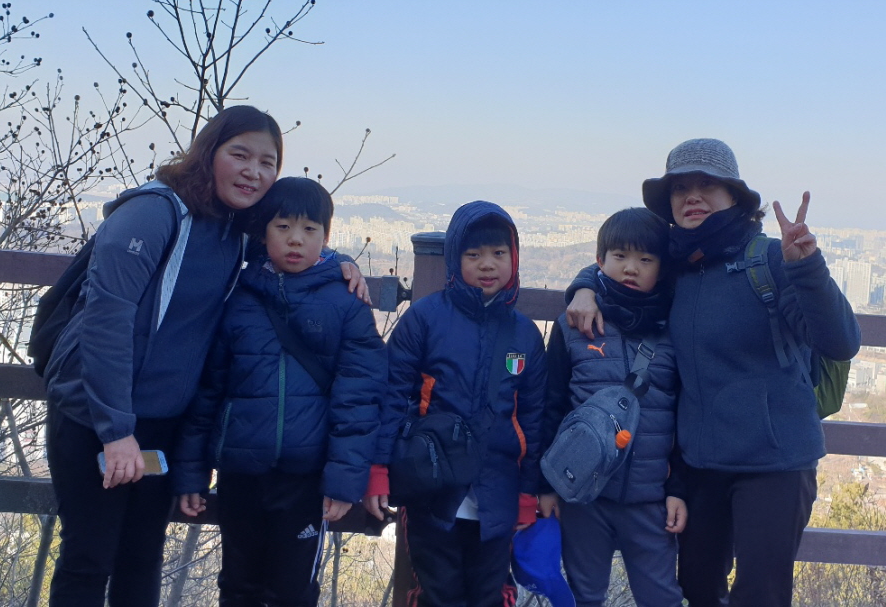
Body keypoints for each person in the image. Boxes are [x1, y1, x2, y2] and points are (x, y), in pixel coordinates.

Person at [42, 106, 366, 606]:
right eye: (240, 155)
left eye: (267, 162)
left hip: (161, 419)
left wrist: (338, 263)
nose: (253, 171)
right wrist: (116, 431)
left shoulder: (232, 227)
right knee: (88, 559)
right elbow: (106, 322)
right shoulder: (152, 214)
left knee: (141, 556)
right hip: (94, 415)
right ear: (208, 152)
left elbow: (288, 249)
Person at [566, 139, 860, 607]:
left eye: (707, 184)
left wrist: (807, 267)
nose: (692, 196)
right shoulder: (676, 266)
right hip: (702, 466)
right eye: (680, 187)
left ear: (734, 197)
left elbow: (841, 341)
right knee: (698, 588)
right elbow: (620, 263)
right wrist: (583, 287)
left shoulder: (771, 259)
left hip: (775, 463)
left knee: (760, 596)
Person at [172, 176, 387, 606]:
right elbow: (209, 391)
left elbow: (359, 400)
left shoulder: (347, 305)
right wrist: (192, 471)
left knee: (293, 590)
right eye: (283, 226)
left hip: (306, 477)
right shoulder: (238, 298)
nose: (295, 239)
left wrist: (344, 481)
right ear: (263, 232)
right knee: (238, 585)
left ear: (326, 236)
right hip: (240, 472)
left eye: (309, 229)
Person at [365, 201, 547, 607]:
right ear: (454, 259)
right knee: (436, 594)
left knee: (490, 595)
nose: (488, 264)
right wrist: (378, 470)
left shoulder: (525, 336)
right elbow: (391, 397)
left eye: (498, 253)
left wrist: (527, 494)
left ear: (514, 257)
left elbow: (532, 421)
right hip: (431, 488)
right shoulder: (425, 319)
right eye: (474, 254)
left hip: (499, 491)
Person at [539, 207, 687, 607]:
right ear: (599, 260)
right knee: (584, 595)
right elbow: (551, 405)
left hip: (651, 499)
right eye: (620, 256)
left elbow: (686, 418)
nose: (631, 268)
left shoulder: (677, 330)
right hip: (582, 495)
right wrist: (545, 485)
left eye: (645, 259)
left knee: (661, 598)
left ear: (662, 267)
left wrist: (678, 489)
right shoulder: (574, 325)